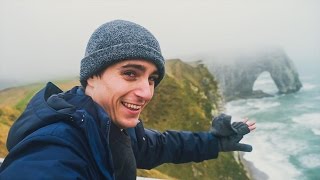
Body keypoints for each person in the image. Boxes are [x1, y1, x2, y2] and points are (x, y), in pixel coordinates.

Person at [0, 20, 256, 179]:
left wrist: (214, 142)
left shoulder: (108, 126)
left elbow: (161, 145)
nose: (146, 92)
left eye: (151, 79)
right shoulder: (54, 148)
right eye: (130, 73)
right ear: (91, 76)